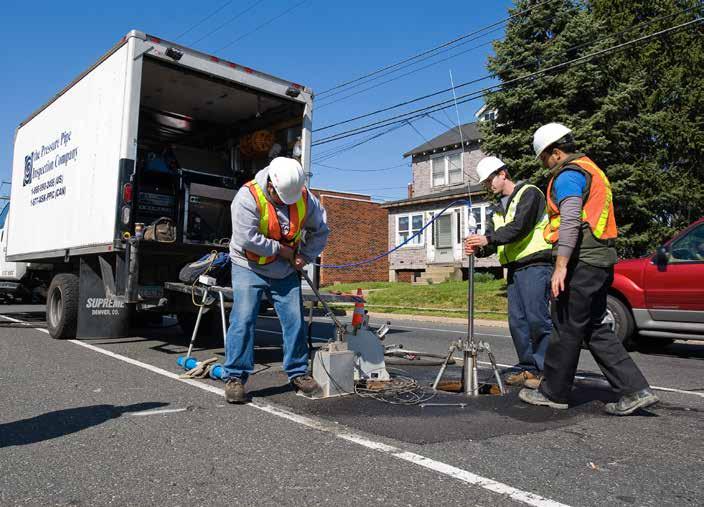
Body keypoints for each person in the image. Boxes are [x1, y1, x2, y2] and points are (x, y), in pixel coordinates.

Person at [519, 123, 658, 415]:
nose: (545, 166)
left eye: (544, 159)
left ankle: (553, 393)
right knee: (594, 326)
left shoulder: (569, 176)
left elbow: (570, 220)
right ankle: (635, 390)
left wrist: (560, 265)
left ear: (555, 153)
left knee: (566, 325)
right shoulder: (592, 170)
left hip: (582, 261)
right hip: (600, 262)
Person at [223, 157, 330, 403]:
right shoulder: (247, 197)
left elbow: (321, 231)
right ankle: (235, 377)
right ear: (270, 185)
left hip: (283, 271)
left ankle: (298, 372)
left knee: (294, 321)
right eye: (281, 198)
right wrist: (282, 250)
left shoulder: (304, 198)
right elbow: (246, 238)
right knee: (243, 319)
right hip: (249, 266)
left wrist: (305, 255)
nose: (285, 204)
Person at [464, 156, 553, 387]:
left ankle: (547, 371)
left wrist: (488, 238)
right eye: (485, 183)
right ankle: (529, 368)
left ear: (503, 173)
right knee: (518, 322)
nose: (488, 186)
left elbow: (520, 227)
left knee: (537, 319)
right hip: (514, 268)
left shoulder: (530, 193)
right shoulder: (496, 209)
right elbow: (494, 241)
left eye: (490, 180)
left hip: (536, 264)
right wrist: (479, 248)